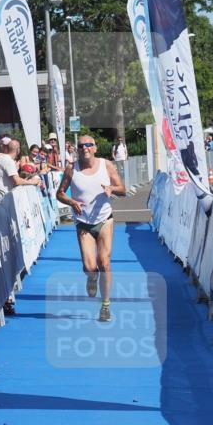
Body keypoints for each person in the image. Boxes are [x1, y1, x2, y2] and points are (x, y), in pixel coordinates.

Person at [56, 133, 126, 322]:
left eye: (88, 145)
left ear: (95, 148)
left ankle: (105, 306)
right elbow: (59, 193)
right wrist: (71, 201)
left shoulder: (106, 165)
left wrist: (112, 189)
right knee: (90, 266)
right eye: (81, 146)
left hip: (104, 220)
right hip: (83, 223)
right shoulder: (72, 169)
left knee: (104, 262)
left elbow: (123, 189)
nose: (85, 148)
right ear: (77, 150)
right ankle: (91, 277)